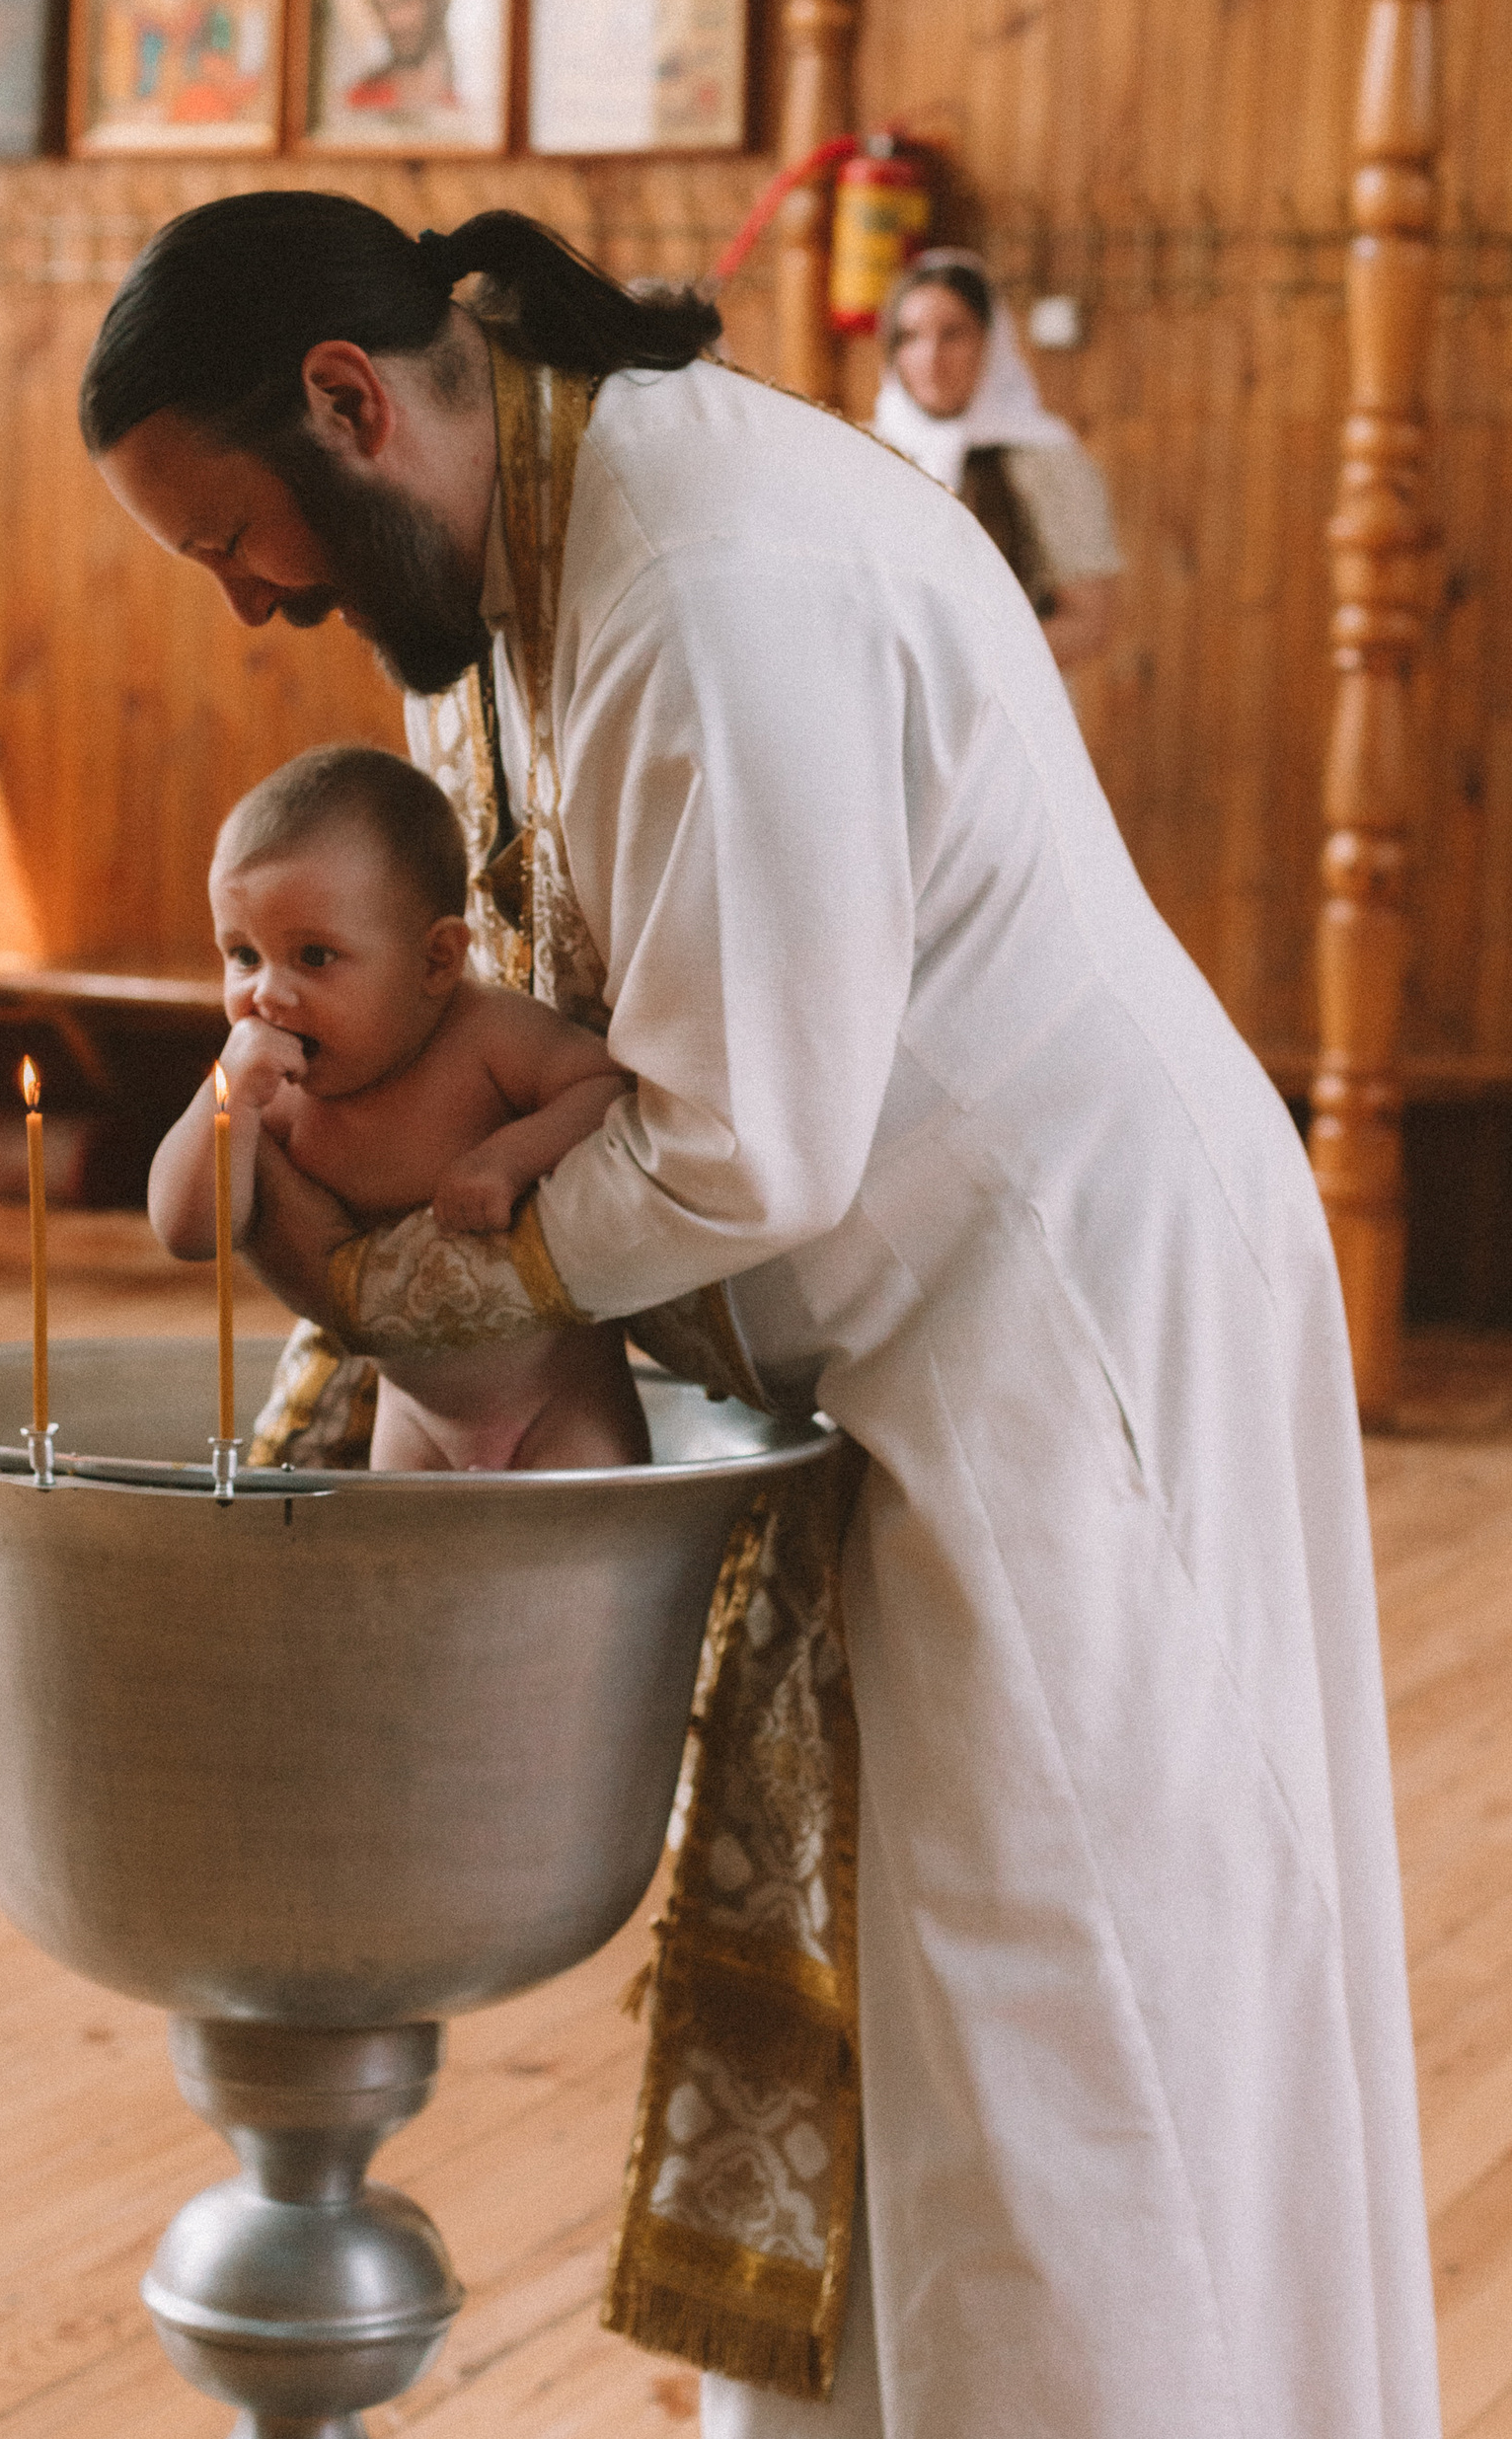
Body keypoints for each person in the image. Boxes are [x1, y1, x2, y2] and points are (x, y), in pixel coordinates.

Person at [79, 191, 1439, 2439]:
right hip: (937, 1322)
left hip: (1057, 1315)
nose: (249, 605)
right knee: (919, 2019)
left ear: (345, 404)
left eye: (235, 539)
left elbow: (743, 1144)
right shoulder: (546, 529)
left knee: (1065, 2020)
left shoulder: (694, 572)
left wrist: (404, 1293)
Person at [149, 745, 644, 1471]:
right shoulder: (275, 1095)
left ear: (436, 961)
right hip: (415, 1418)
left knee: (579, 1576)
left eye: (313, 957)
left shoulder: (486, 1038)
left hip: (562, 1405)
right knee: (411, 1583)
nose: (266, 996)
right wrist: (225, 1106)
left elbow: (606, 1090)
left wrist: (507, 1158)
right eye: (243, 955)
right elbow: (188, 1231)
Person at [873, 248, 1122, 668]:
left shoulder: (1044, 458)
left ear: (991, 343)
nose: (931, 358)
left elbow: (1089, 621)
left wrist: (959, 664)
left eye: (952, 334)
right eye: (910, 336)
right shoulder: (867, 450)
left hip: (1003, 711)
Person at [344, 0, 459, 122]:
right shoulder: (362, 97)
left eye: (403, 1)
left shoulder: (472, 95)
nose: (392, 21)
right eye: (382, 8)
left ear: (437, 0)